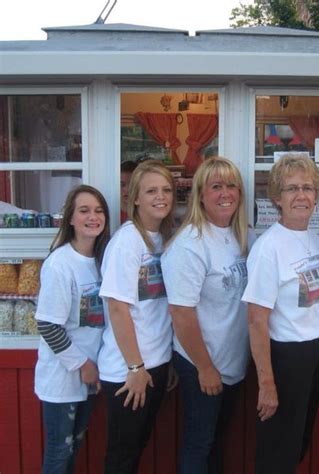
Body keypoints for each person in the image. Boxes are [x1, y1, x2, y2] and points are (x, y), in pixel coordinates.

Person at [242, 155, 319, 474]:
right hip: (285, 359)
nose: (301, 195)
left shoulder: (314, 239)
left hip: (315, 352)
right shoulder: (269, 248)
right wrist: (267, 382)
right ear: (276, 198)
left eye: (308, 188)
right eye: (292, 188)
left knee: (298, 443)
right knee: (278, 450)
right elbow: (256, 319)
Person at [161, 156, 253, 474]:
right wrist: (205, 368)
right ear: (200, 194)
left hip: (231, 363)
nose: (225, 193)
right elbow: (181, 313)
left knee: (216, 441)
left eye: (231, 186)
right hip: (202, 362)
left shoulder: (240, 236)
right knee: (199, 444)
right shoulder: (190, 245)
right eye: (216, 186)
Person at [98, 160, 175, 473]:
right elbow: (118, 308)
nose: (161, 196)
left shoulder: (161, 238)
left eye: (166, 190)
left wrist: (163, 362)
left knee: (136, 447)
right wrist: (136, 367)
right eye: (152, 190)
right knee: (122, 455)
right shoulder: (126, 242)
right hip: (128, 371)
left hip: (154, 363)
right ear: (136, 198)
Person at [34, 184, 110, 474]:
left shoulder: (102, 259)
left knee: (74, 447)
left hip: (90, 375)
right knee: (59, 451)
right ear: (71, 218)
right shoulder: (60, 264)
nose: (93, 217)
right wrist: (82, 365)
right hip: (63, 378)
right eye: (84, 210)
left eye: (99, 210)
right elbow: (48, 324)